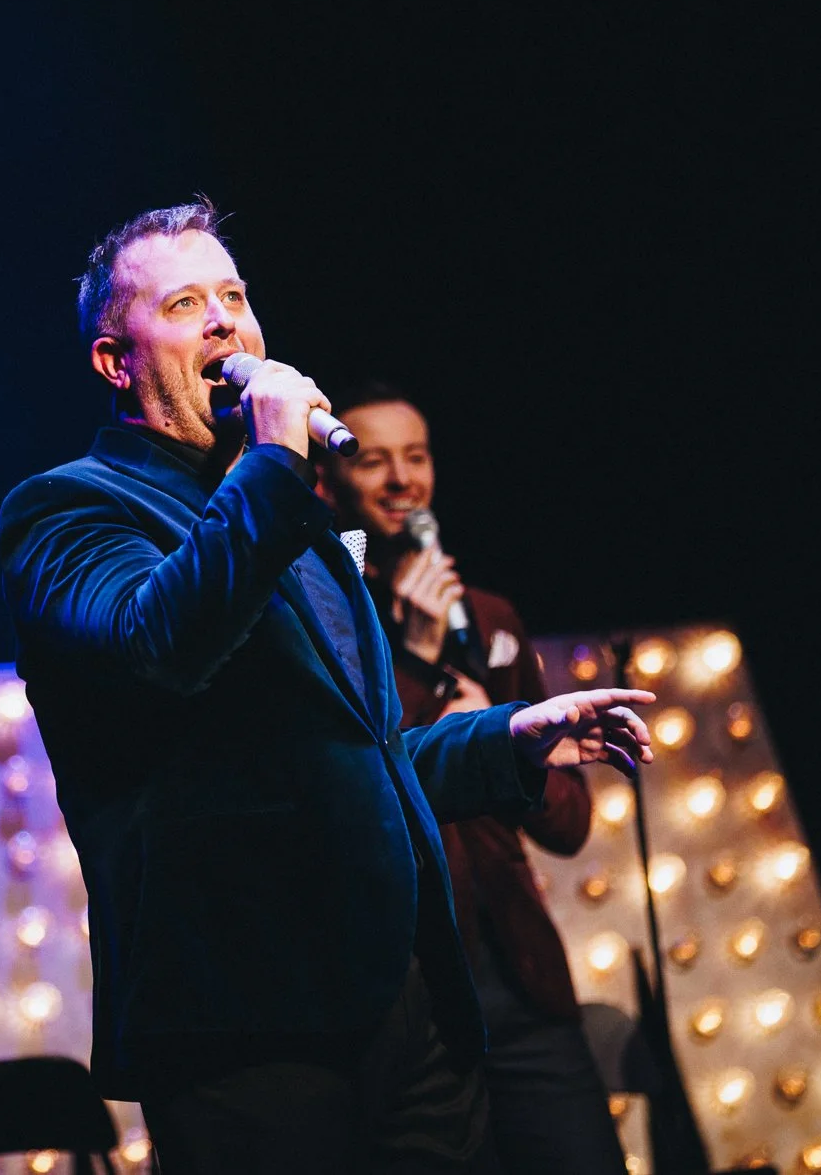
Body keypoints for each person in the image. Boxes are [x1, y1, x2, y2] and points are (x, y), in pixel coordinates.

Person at [0, 200, 654, 1175]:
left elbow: (354, 752)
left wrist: (501, 739)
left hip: (408, 1005)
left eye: (234, 295)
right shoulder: (67, 508)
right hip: (245, 1023)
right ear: (114, 360)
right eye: (183, 303)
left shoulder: (291, 524)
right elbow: (154, 644)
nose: (224, 321)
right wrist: (269, 462)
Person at [315, 383, 623, 1174]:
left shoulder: (488, 616)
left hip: (521, 984)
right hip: (408, 991)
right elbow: (353, 783)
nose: (399, 480)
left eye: (414, 457)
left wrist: (508, 742)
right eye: (372, 460)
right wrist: (415, 660)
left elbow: (567, 825)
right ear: (329, 475)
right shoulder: (322, 610)